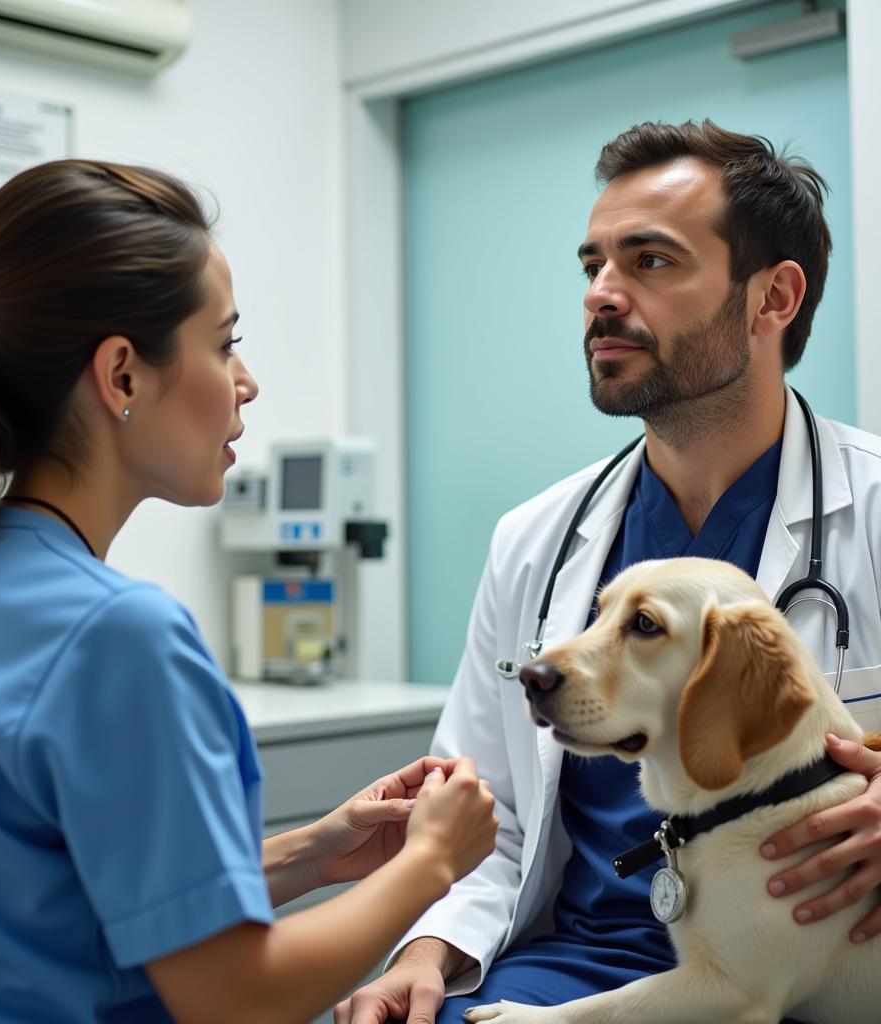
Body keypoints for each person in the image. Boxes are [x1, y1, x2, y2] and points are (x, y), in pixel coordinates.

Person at [0, 159, 499, 1023]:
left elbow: (53, 903)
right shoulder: (117, 636)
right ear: (122, 375)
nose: (247, 382)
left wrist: (312, 852)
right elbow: (235, 996)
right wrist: (432, 862)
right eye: (225, 343)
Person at [336, 120, 881, 1024]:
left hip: (819, 970)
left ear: (774, 296)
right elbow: (488, 812)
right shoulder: (534, 540)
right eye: (593, 266)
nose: (601, 295)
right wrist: (424, 953)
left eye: (651, 262)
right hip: (587, 963)